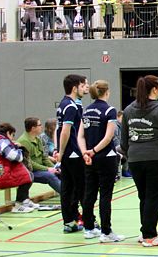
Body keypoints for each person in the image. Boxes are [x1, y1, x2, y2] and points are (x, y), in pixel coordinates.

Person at [120, 75, 158, 247]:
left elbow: (123, 139)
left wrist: (129, 154)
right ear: (155, 89)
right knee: (154, 198)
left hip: (135, 160)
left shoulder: (128, 110)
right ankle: (149, 235)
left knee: (144, 197)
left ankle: (145, 231)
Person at [77, 80, 124, 243]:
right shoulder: (110, 111)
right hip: (105, 158)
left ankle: (88, 228)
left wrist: (85, 153)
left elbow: (80, 136)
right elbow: (109, 136)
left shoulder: (86, 110)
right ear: (107, 92)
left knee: (89, 193)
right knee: (105, 195)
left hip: (89, 159)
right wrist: (94, 151)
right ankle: (106, 231)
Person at [55, 74, 89, 233]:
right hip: (73, 154)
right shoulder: (70, 107)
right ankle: (88, 220)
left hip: (68, 154)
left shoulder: (64, 104)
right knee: (81, 188)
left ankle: (70, 220)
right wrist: (60, 152)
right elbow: (64, 131)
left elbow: (57, 128)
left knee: (69, 188)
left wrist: (57, 150)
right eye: (83, 86)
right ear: (75, 88)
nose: (85, 88)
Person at [0, 123, 38, 213]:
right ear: (8, 133)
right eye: (12, 135)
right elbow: (16, 157)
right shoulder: (2, 141)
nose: (12, 138)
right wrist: (18, 149)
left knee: (26, 174)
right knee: (27, 176)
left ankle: (24, 200)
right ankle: (19, 204)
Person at [18, 117, 61, 194]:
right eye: (39, 125)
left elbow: (45, 157)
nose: (41, 127)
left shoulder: (38, 139)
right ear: (33, 128)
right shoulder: (24, 141)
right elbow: (29, 163)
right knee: (50, 176)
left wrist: (54, 168)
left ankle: (72, 195)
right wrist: (48, 169)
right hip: (30, 171)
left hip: (40, 168)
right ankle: (68, 197)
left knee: (61, 172)